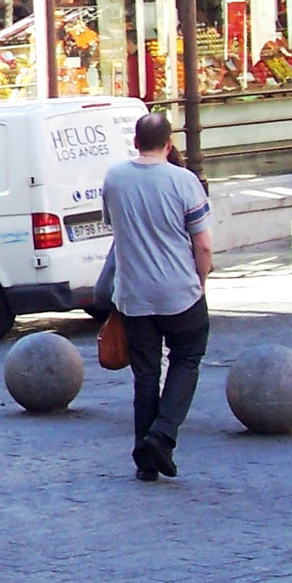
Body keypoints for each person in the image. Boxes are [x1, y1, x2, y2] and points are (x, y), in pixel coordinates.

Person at [101, 113, 213, 482]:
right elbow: (204, 245)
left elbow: (111, 224)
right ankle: (162, 433)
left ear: (136, 141)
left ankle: (145, 459)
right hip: (179, 291)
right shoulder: (185, 181)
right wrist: (201, 280)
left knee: (145, 374)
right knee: (187, 358)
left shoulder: (114, 178)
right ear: (169, 144)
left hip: (134, 295)